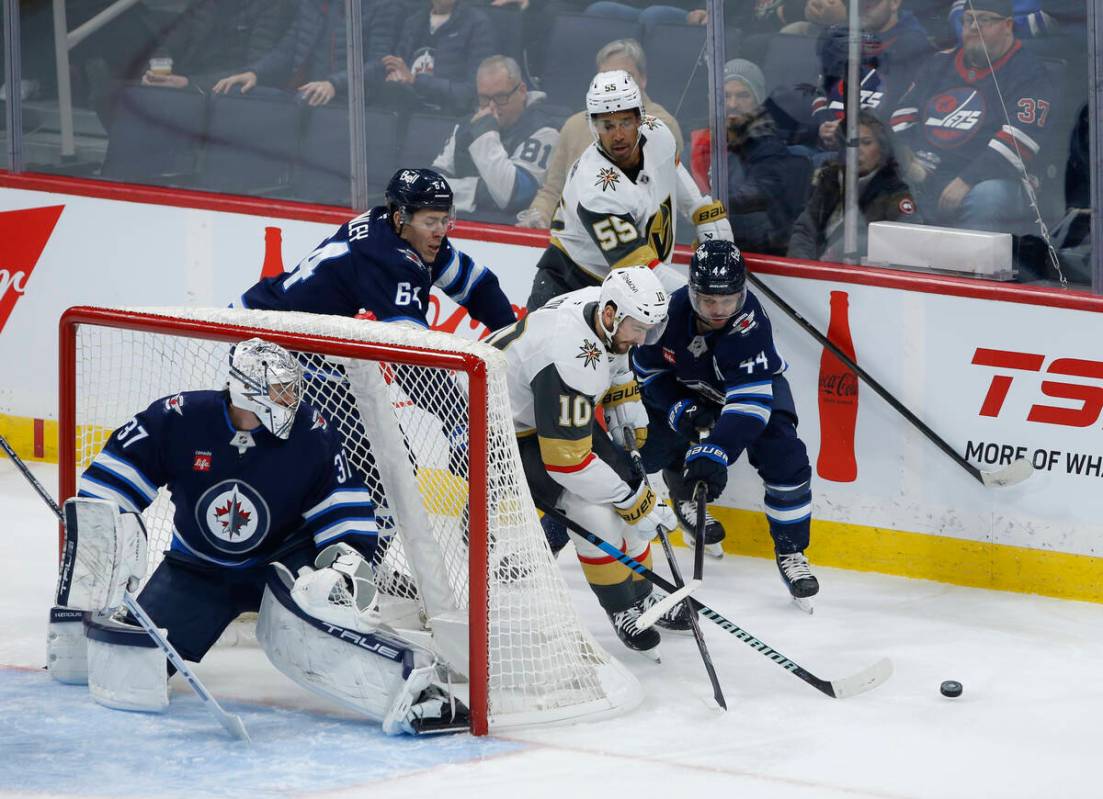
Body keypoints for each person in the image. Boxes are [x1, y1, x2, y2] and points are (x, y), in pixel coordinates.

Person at [56, 338, 466, 733]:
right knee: (125, 672)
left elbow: (342, 506)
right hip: (197, 568)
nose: (292, 399)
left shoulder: (311, 431)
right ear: (248, 390)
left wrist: (342, 565)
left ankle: (418, 693)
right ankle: (70, 636)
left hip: (284, 565)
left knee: (331, 628)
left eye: (292, 389)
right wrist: (107, 531)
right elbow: (110, 485)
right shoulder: (179, 418)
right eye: (281, 390)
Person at [487, 266, 692, 657]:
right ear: (612, 314)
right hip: (495, 431)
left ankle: (643, 594)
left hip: (539, 414)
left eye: (650, 329)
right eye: (638, 328)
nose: (643, 339)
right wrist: (632, 500)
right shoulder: (569, 359)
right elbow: (567, 463)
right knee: (594, 512)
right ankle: (623, 608)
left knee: (629, 491)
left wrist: (625, 403)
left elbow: (614, 362)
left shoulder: (597, 306)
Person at [632, 241, 820, 609]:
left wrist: (716, 452)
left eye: (728, 301)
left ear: (742, 293)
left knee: (784, 455)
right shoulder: (667, 314)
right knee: (648, 448)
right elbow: (649, 370)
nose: (718, 311)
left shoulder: (749, 322)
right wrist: (678, 408)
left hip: (755, 388)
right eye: (708, 302)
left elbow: (749, 403)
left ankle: (791, 551)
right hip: (690, 387)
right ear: (692, 292)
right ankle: (682, 497)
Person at [525, 69, 732, 310]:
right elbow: (641, 272)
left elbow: (671, 168)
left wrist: (700, 210)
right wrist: (702, 296)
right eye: (608, 125)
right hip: (571, 289)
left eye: (625, 122)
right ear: (594, 126)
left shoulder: (658, 133)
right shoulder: (596, 191)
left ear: (640, 118)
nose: (619, 135)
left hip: (622, 289)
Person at [237, 168, 514, 333]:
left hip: (310, 337)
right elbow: (414, 362)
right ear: (399, 218)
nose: (440, 230)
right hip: (270, 335)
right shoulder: (386, 261)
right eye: (430, 221)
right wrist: (456, 420)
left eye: (444, 220)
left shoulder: (409, 234)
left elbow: (478, 288)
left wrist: (510, 338)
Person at [888, 0, 1057, 232]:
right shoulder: (939, 63)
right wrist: (914, 161)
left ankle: (972, 268)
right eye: (968, 20)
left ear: (1007, 25)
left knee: (988, 197)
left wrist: (967, 180)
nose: (974, 27)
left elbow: (1019, 141)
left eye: (985, 20)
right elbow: (901, 116)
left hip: (989, 178)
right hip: (927, 171)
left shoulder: (1029, 72)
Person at [520, 39, 684, 230]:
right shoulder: (574, 126)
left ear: (643, 79)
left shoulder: (663, 127)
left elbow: (661, 201)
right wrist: (538, 216)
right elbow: (552, 192)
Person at [690, 59, 812, 254]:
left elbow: (759, 191)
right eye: (725, 95)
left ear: (758, 100)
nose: (732, 104)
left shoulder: (769, 145)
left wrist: (705, 209)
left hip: (754, 253)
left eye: (743, 95)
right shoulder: (702, 143)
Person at [432, 56, 561, 221]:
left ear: (522, 91)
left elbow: (513, 196)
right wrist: (478, 191)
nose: (492, 107)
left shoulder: (545, 131)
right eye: (484, 99)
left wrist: (485, 134)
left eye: (500, 97)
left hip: (513, 236)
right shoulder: (464, 126)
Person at [211, 0, 400, 106]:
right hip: (303, 97)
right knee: (236, 94)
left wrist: (334, 84)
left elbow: (379, 64)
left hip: (347, 105)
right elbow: (287, 49)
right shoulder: (313, 4)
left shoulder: (383, 6)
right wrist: (254, 72)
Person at [788, 110, 920, 261]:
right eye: (852, 143)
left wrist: (837, 255)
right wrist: (804, 266)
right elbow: (805, 229)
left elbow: (905, 242)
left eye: (866, 143)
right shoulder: (830, 178)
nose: (857, 151)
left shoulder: (896, 191)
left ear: (882, 147)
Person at [368, 0, 495, 115]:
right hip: (410, 116)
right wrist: (395, 75)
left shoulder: (478, 24)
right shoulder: (413, 22)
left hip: (450, 120)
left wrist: (416, 81)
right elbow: (400, 72)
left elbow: (473, 93)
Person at [138, 0, 295, 93]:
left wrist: (189, 84)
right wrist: (154, 74)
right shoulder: (206, 4)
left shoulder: (273, 5)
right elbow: (170, 44)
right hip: (183, 93)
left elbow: (255, 73)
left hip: (229, 103)